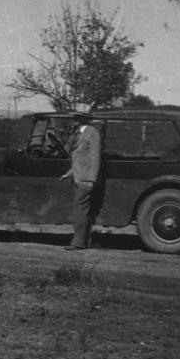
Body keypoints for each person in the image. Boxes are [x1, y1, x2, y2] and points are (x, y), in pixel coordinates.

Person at [60, 103, 101, 250]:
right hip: (78, 177)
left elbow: (95, 158)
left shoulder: (92, 133)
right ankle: (83, 241)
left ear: (85, 119)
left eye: (78, 117)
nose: (75, 119)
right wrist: (69, 173)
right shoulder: (78, 133)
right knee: (81, 210)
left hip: (85, 179)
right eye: (75, 117)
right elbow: (79, 158)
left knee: (80, 210)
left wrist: (91, 179)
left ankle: (79, 243)